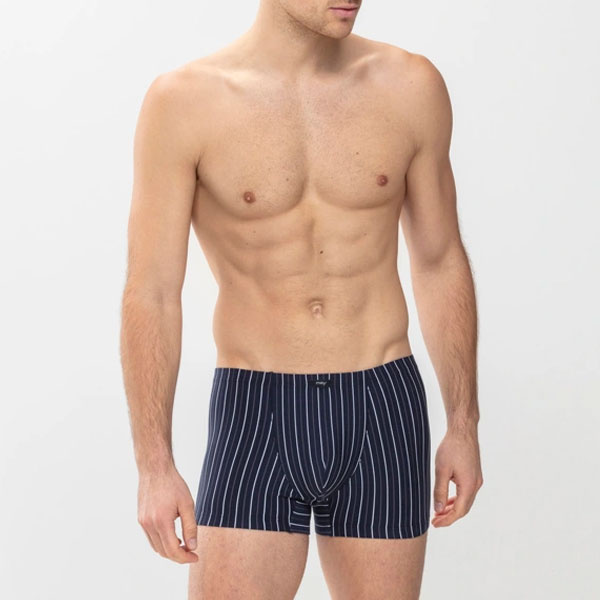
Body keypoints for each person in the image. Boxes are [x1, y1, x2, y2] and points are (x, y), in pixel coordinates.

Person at [120, 1, 483, 597]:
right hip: (255, 411)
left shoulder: (411, 86)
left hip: (382, 405)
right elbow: (152, 291)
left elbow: (440, 259)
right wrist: (153, 466)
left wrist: (463, 424)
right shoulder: (183, 103)